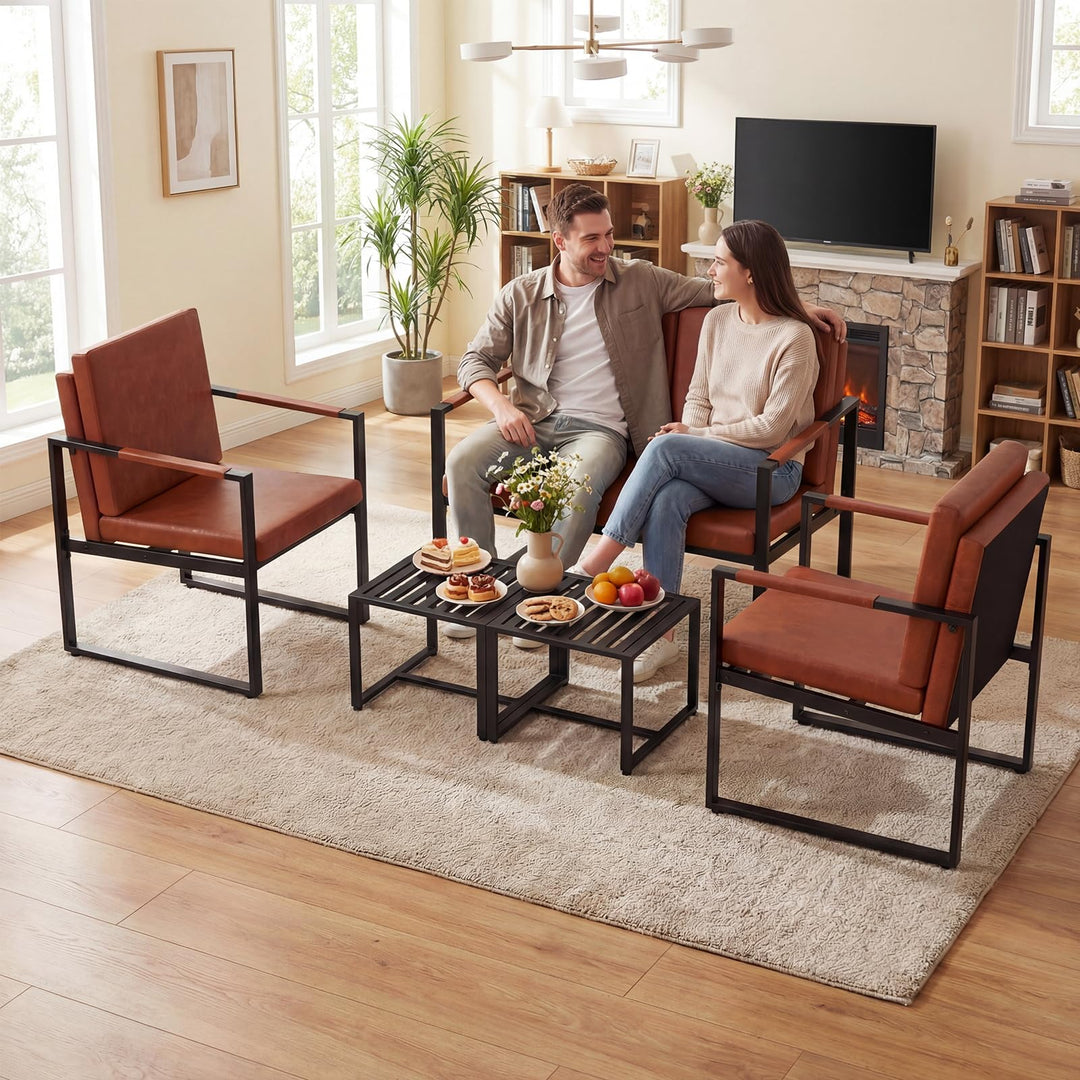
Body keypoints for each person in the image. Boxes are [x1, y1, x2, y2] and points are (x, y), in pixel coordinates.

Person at [444, 185, 843, 644]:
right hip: (532, 420)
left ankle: (559, 589)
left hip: (603, 433)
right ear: (560, 241)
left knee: (589, 478)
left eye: (609, 235)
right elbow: (473, 361)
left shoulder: (641, 279)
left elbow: (719, 292)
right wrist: (501, 405)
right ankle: (484, 586)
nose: (606, 247)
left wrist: (797, 306)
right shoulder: (520, 294)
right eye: (592, 239)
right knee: (460, 462)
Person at [572, 219, 821, 682]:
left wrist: (695, 437)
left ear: (750, 272)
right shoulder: (717, 320)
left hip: (772, 469)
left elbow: (772, 428)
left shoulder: (795, 338)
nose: (710, 270)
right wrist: (695, 431)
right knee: (667, 500)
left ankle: (599, 558)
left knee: (667, 449)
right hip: (717, 463)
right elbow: (698, 397)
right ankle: (660, 638)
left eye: (719, 262)